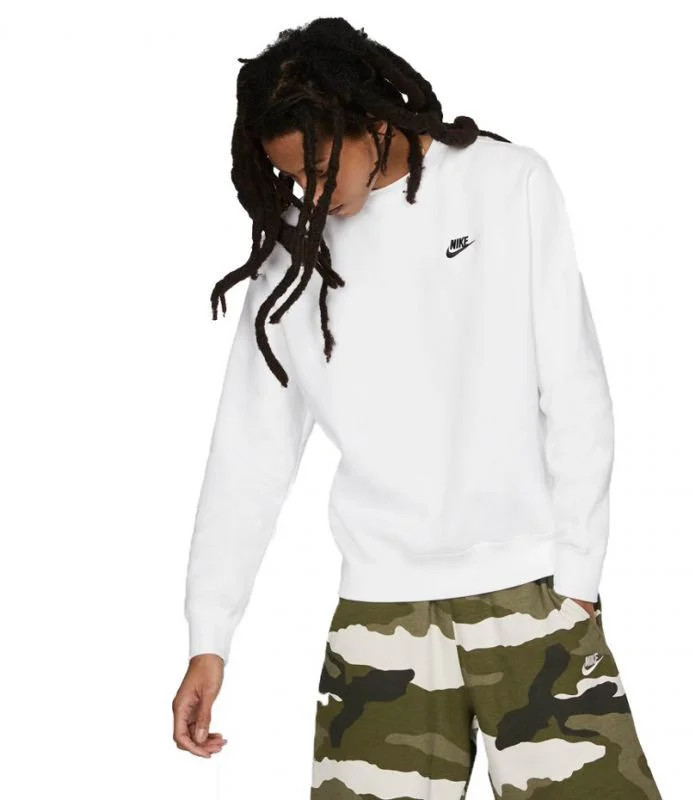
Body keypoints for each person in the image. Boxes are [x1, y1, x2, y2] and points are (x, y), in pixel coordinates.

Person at [172, 16, 662, 798]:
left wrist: (578, 577)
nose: (312, 196)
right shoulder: (293, 260)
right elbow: (248, 454)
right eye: (295, 181)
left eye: (320, 169)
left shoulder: (505, 182)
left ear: (370, 121)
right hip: (379, 612)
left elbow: (574, 386)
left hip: (533, 590)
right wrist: (210, 636)